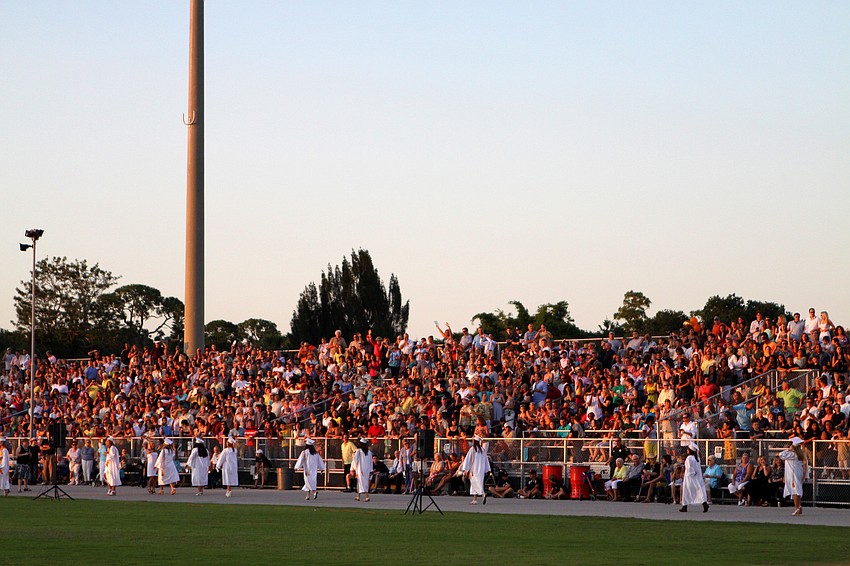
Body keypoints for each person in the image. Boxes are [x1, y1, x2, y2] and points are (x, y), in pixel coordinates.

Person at [457, 435, 491, 505]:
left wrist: (465, 469)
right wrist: (486, 469)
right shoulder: (482, 450)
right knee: (478, 483)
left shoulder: (472, 450)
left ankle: (483, 494)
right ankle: (474, 499)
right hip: (481, 470)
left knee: (475, 483)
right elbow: (486, 460)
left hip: (474, 469)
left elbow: (468, 460)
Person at [779, 436, 807, 516]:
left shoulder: (792, 454)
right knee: (796, 490)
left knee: (795, 491)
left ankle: (797, 507)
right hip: (798, 473)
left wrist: (788, 449)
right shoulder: (800, 454)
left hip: (793, 474)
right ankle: (799, 506)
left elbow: (781, 455)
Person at [679, 443, 709, 512]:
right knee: (699, 490)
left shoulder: (689, 458)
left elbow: (689, 468)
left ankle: (685, 506)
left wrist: (690, 473)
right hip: (698, 477)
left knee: (687, 491)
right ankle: (704, 503)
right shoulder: (697, 458)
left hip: (690, 477)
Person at [351, 438, 373, 502]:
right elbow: (370, 462)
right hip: (367, 469)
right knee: (362, 482)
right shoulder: (368, 452)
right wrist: (370, 470)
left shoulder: (359, 451)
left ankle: (367, 496)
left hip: (360, 469)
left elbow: (355, 460)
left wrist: (353, 468)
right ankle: (358, 496)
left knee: (361, 482)